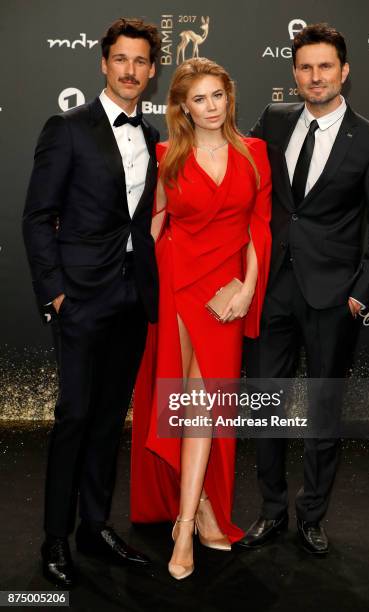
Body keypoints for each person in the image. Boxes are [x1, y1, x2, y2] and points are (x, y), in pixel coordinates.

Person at [237, 23, 369, 555]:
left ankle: (311, 515)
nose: (315, 76)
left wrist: (360, 295)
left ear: (344, 72)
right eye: (305, 67)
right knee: (263, 406)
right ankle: (270, 511)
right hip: (272, 289)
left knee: (323, 412)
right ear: (294, 74)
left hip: (334, 297)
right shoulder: (274, 121)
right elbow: (243, 186)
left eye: (325, 66)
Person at [22, 18, 161, 587]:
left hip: (133, 296)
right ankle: (56, 536)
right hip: (79, 295)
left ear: (153, 72)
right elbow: (36, 218)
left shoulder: (156, 138)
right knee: (74, 416)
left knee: (108, 418)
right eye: (120, 60)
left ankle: (95, 526)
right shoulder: (69, 128)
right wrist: (55, 293)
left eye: (141, 62)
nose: (130, 71)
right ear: (104, 63)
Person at [130, 58, 272, 579]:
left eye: (218, 96)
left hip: (226, 291)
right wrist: (130, 285)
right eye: (200, 99)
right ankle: (190, 520)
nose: (211, 107)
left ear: (229, 98)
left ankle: (190, 518)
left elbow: (259, 228)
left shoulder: (254, 152)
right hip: (177, 283)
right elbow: (157, 222)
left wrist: (247, 288)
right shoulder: (167, 154)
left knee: (204, 404)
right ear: (183, 107)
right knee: (193, 404)